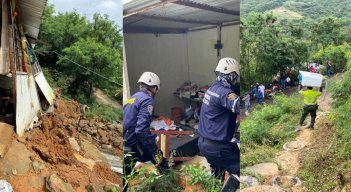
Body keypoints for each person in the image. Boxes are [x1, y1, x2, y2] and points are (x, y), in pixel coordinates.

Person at [123, 72, 168, 192]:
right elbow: (141, 131)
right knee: (158, 158)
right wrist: (155, 150)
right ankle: (165, 184)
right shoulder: (148, 100)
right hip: (132, 145)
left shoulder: (132, 98)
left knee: (124, 180)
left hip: (124, 142)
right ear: (154, 88)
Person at [198, 57, 240, 185]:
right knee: (239, 171)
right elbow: (238, 106)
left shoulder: (212, 89)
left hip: (203, 143)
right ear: (231, 76)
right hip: (218, 147)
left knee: (218, 174)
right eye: (235, 77)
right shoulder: (224, 92)